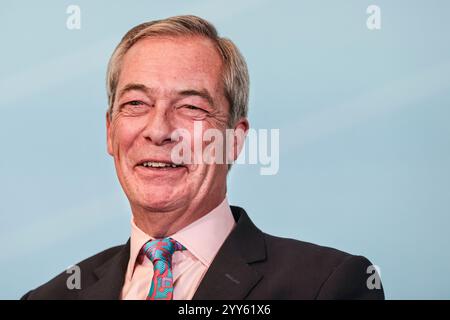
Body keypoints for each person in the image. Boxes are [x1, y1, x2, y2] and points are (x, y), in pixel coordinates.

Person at [21, 15, 384, 300]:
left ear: (234, 140)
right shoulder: (51, 296)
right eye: (135, 104)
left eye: (191, 107)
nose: (159, 130)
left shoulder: (326, 285)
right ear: (110, 132)